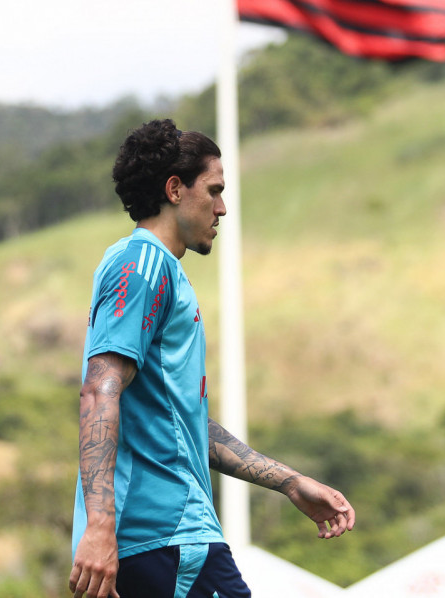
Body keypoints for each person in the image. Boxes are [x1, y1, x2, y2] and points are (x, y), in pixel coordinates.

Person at [69, 119, 355, 598]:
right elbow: (100, 390)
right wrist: (100, 527)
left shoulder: (156, 271)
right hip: (166, 536)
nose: (222, 209)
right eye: (215, 191)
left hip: (157, 541)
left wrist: (288, 482)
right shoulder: (143, 265)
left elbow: (186, 427)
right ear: (175, 189)